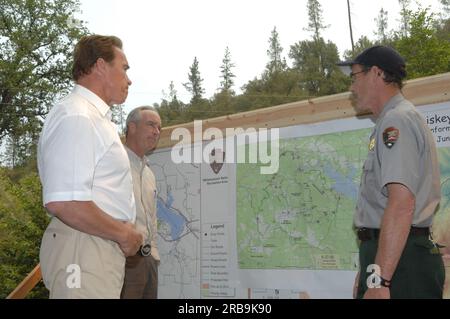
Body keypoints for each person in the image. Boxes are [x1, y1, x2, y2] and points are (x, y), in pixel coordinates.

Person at [37, 35, 143, 298]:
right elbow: (65, 203)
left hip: (91, 248)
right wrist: (124, 233)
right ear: (100, 66)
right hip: (84, 249)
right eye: (125, 68)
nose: (129, 79)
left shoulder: (90, 117)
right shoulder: (78, 116)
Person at [338, 45, 445, 299]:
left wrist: (380, 281)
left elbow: (401, 204)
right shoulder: (394, 119)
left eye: (355, 77)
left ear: (376, 73)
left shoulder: (396, 121)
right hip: (394, 258)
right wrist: (370, 271)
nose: (351, 87)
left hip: (403, 265)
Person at [120, 106, 162, 299]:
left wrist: (153, 254)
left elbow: (151, 219)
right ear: (132, 127)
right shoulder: (113, 164)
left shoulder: (149, 174)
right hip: (124, 260)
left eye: (159, 128)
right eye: (151, 125)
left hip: (148, 260)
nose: (156, 131)